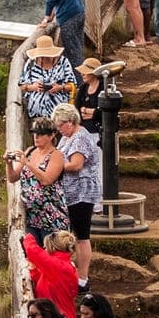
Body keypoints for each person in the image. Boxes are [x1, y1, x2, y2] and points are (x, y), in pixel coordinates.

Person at [55, 103, 101, 288]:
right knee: (75, 234)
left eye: (61, 125)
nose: (59, 129)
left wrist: (55, 166)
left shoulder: (80, 137)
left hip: (81, 192)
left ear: (71, 121)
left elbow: (76, 164)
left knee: (82, 236)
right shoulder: (67, 137)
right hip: (70, 192)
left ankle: (83, 278)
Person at [7, 120, 71, 242]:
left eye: (41, 133)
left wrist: (28, 163)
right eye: (34, 132)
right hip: (32, 217)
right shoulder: (30, 151)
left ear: (52, 135)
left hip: (52, 216)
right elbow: (13, 177)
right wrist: (8, 163)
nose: (36, 136)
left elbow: (47, 180)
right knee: (33, 255)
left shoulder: (56, 155)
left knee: (52, 256)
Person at [23, 229, 80, 318]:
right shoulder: (63, 265)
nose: (44, 249)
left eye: (45, 247)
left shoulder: (58, 265)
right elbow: (43, 280)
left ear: (52, 247)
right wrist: (33, 270)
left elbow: (32, 250)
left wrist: (28, 237)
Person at [35, 0, 87, 70]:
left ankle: (79, 84)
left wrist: (45, 18)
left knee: (72, 54)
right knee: (78, 48)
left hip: (69, 19)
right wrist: (51, 17)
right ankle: (84, 78)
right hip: (79, 13)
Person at [19, 34, 78, 121]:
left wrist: (60, 87)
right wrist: (33, 87)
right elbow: (22, 85)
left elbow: (73, 86)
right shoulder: (31, 63)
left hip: (59, 113)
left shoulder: (63, 62)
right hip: (36, 113)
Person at [74, 57, 105, 129]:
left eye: (85, 72)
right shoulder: (83, 88)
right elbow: (77, 110)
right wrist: (92, 112)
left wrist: (86, 111)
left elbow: (105, 113)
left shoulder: (104, 88)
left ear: (94, 73)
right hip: (84, 129)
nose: (82, 74)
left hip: (101, 129)